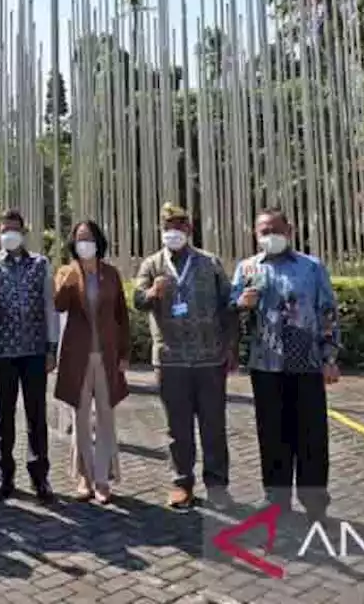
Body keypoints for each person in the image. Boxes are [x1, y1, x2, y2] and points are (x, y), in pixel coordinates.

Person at [233, 207, 340, 520]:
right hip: (265, 364)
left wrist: (330, 357)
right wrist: (241, 303)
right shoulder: (247, 268)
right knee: (272, 434)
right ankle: (276, 498)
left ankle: (314, 500)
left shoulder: (311, 268)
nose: (269, 236)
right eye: (263, 231)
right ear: (255, 235)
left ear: (289, 231)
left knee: (311, 435)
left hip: (306, 363)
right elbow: (231, 310)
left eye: (275, 229)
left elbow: (328, 312)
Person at [133, 202, 238, 510]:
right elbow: (137, 300)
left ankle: (218, 485)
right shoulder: (151, 264)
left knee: (213, 426)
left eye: (179, 226)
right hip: (170, 359)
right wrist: (152, 293)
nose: (173, 232)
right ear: (161, 231)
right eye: (168, 227)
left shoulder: (209, 263)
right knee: (177, 428)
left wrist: (231, 346)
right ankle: (182, 483)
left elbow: (229, 305)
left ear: (190, 230)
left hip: (210, 358)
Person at [0, 209, 58, 501]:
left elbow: (50, 307)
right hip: (3, 353)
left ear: (23, 232)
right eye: (4, 229)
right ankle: (4, 475)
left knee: (36, 415)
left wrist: (51, 348)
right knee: (3, 416)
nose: (9, 234)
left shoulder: (40, 264)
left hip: (34, 351)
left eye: (14, 229)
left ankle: (40, 477)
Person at [53, 220, 131, 505]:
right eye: (79, 238)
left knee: (107, 418)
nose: (84, 243)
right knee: (81, 419)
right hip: (78, 357)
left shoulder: (110, 274)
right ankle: (84, 477)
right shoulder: (66, 272)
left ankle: (103, 478)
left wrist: (125, 354)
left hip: (107, 355)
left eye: (88, 238)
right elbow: (58, 306)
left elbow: (121, 316)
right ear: (73, 243)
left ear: (98, 241)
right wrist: (67, 285)